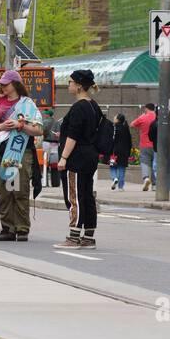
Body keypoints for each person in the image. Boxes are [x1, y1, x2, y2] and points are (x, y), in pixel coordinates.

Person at [0, 70, 44, 242]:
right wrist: (2, 127)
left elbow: (39, 129)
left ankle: (22, 228)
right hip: (1, 149)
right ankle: (7, 228)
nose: (3, 87)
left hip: (21, 149)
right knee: (4, 190)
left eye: (6, 84)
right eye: (1, 84)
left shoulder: (27, 104)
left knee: (19, 189)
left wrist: (20, 126)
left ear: (16, 84)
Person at [57, 69, 102, 250]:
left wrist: (63, 157)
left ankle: (74, 237)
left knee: (75, 196)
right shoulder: (94, 106)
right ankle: (88, 236)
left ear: (78, 86)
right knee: (87, 196)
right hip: (90, 155)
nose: (68, 85)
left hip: (76, 157)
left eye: (70, 82)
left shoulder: (78, 107)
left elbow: (73, 136)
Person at [131, 103, 157, 191]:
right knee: (155, 164)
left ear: (146, 109)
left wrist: (142, 116)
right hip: (156, 145)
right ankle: (154, 184)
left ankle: (146, 178)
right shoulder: (157, 117)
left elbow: (132, 124)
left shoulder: (143, 117)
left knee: (145, 163)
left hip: (145, 145)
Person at [109, 113, 132, 190]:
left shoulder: (114, 128)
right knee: (122, 168)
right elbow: (129, 141)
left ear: (117, 119)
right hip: (124, 152)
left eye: (115, 117)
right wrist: (128, 152)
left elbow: (111, 140)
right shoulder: (126, 128)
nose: (114, 118)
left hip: (114, 152)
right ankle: (121, 187)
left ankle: (114, 178)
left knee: (112, 166)